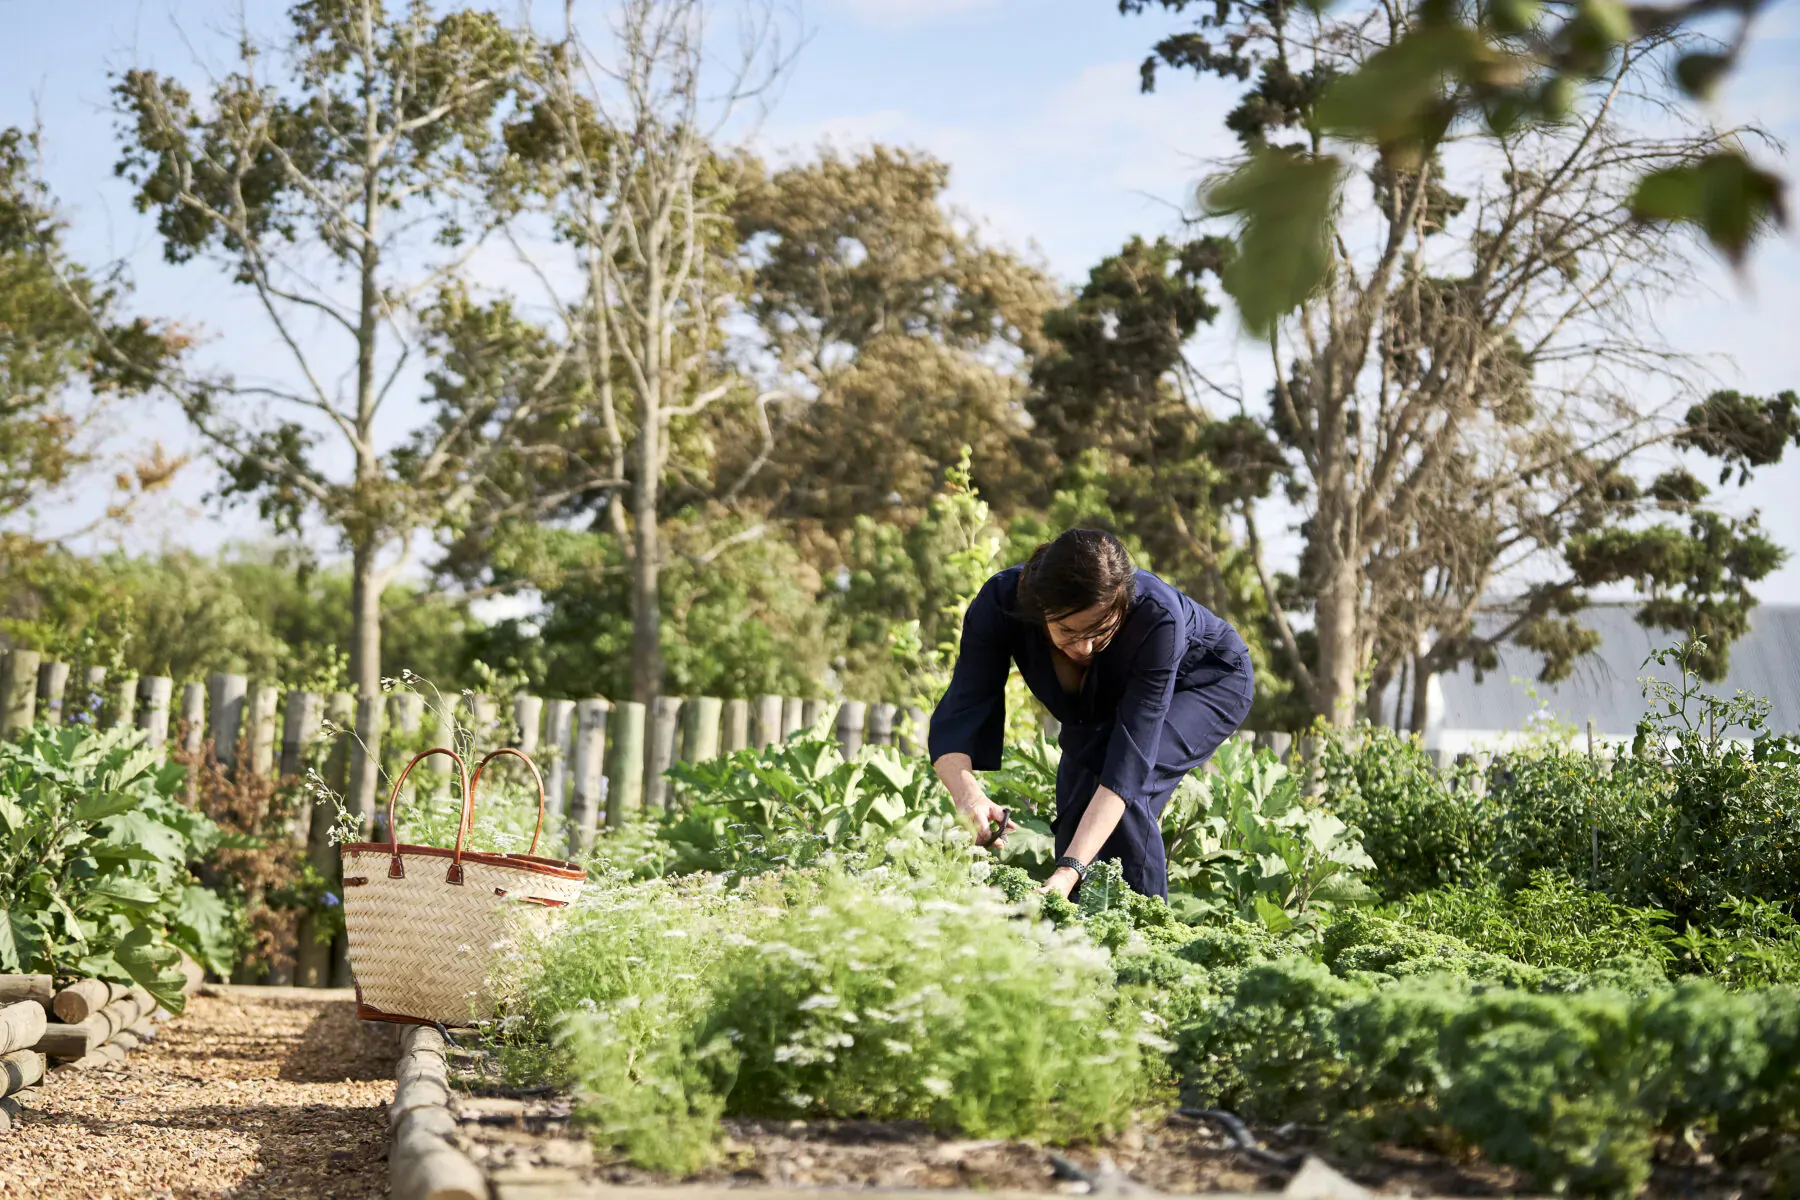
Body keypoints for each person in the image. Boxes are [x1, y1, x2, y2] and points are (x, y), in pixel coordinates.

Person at [928, 529, 1254, 900]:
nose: (1083, 648)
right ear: (1038, 609)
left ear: (1121, 606)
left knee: (1132, 794)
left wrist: (1069, 873)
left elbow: (1127, 770)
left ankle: (1142, 938)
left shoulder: (1157, 618)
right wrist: (969, 797)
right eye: (1066, 630)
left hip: (1207, 681)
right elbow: (960, 710)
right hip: (1104, 698)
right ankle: (1077, 945)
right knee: (1075, 806)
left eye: (1100, 631)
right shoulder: (1001, 602)